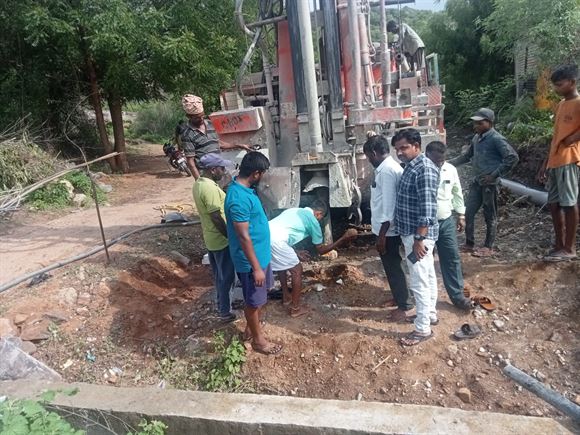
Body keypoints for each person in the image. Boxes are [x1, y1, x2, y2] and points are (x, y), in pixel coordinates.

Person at [225, 151, 282, 355]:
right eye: (264, 173)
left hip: (260, 258)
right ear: (256, 174)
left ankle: (250, 330)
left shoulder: (246, 190)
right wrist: (256, 268)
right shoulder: (238, 198)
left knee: (259, 298)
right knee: (253, 301)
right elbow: (243, 237)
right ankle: (258, 341)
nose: (265, 177)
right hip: (252, 263)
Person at [450, 108, 519, 257]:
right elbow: (466, 156)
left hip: (490, 185)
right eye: (475, 123)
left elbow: (512, 157)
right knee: (468, 212)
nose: (476, 126)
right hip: (477, 182)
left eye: (479, 123)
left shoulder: (496, 139)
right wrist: (447, 163)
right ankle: (469, 243)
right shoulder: (477, 138)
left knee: (490, 215)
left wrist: (494, 175)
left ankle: (489, 246)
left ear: (489, 123)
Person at [269, 202, 358, 318]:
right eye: (321, 218)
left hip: (266, 234)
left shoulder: (294, 210)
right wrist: (343, 238)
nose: (320, 221)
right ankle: (295, 309)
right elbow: (321, 250)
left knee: (283, 264)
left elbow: (284, 232)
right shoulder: (313, 220)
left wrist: (295, 252)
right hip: (277, 241)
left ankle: (286, 297)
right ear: (318, 214)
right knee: (297, 270)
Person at [393, 128, 440, 346]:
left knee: (419, 280)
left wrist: (419, 239)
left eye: (404, 148)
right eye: (397, 149)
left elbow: (427, 209)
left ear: (416, 146)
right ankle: (429, 314)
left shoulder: (424, 170)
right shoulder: (413, 167)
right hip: (414, 234)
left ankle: (422, 329)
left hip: (418, 236)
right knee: (427, 274)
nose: (399, 153)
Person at [363, 134, 413, 321]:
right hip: (387, 229)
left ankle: (405, 306)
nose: (369, 160)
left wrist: (381, 236)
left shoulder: (386, 171)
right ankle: (400, 297)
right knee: (393, 266)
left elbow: (389, 208)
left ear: (375, 153)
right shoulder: (387, 168)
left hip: (388, 231)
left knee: (393, 267)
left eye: (368, 156)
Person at [538, 64, 579, 261]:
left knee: (569, 204)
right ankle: (559, 244)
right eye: (555, 85)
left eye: (559, 84)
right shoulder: (562, 104)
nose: (556, 88)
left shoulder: (578, 102)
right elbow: (555, 135)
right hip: (555, 160)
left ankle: (570, 248)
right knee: (554, 204)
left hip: (569, 159)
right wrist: (546, 162)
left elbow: (569, 135)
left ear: (572, 82)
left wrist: (573, 139)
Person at [425, 141, 472, 310]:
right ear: (427, 155)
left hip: (446, 222)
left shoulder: (450, 170)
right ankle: (426, 300)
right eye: (435, 161)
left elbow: (457, 192)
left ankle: (457, 296)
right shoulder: (420, 170)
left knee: (451, 258)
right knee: (424, 262)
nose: (439, 164)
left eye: (441, 161)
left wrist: (461, 215)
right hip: (425, 224)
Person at [192, 154, 237, 322]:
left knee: (220, 275)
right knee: (226, 276)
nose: (223, 171)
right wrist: (230, 236)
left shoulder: (200, 184)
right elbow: (216, 216)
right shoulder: (209, 188)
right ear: (212, 169)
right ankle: (225, 311)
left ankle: (223, 304)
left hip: (211, 238)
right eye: (221, 168)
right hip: (220, 239)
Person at [181, 94, 252, 179]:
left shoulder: (210, 124)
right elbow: (190, 161)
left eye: (202, 115)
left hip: (220, 168)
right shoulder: (187, 134)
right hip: (206, 173)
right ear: (188, 116)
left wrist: (239, 145)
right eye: (197, 117)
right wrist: (199, 181)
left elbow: (217, 143)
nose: (201, 119)